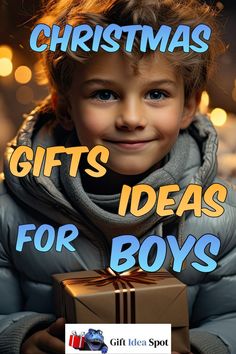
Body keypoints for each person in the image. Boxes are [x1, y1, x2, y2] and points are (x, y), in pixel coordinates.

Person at [0, 0, 235, 353]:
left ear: (188, 106)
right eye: (104, 94)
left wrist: (202, 346)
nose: (131, 118)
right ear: (64, 107)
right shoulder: (9, 214)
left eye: (156, 94)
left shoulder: (222, 216)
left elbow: (230, 316)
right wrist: (21, 337)